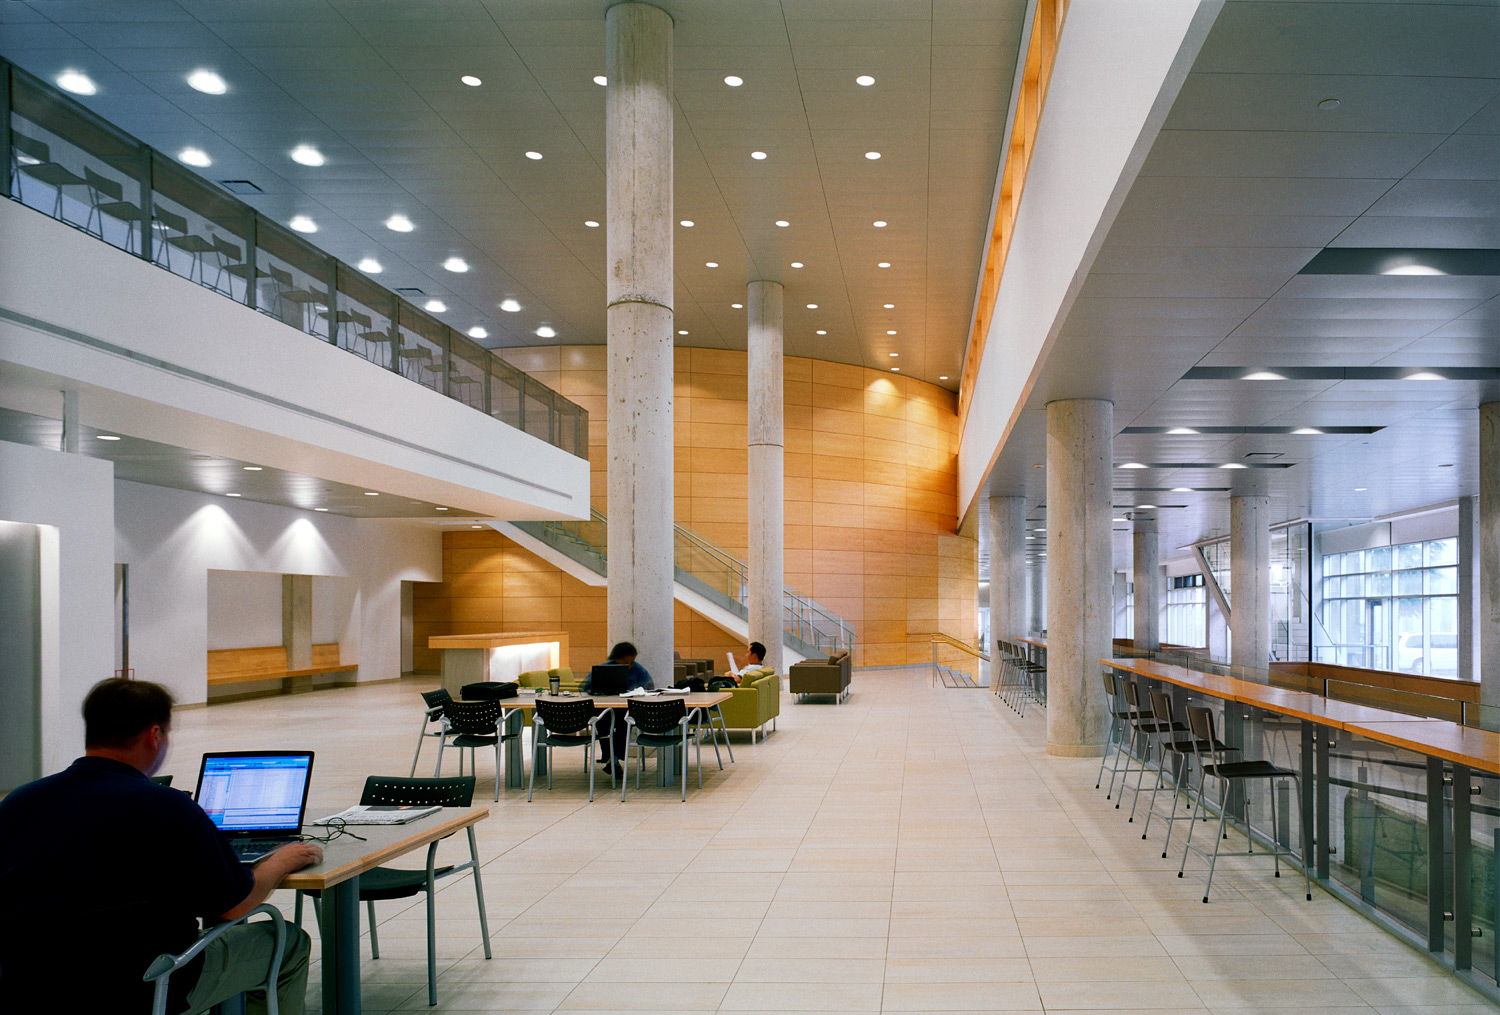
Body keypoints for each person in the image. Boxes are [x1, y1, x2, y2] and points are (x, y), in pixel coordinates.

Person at [0, 678, 322, 1015]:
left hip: (31, 986)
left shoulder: (19, 802)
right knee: (290, 942)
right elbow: (234, 906)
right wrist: (281, 861)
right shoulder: (166, 806)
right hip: (147, 985)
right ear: (154, 736)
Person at [581, 641, 654, 777]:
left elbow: (649, 686)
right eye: (626, 663)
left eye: (632, 663)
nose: (630, 666)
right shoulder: (603, 669)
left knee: (624, 724)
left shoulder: (639, 670)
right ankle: (612, 758)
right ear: (617, 659)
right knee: (602, 724)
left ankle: (613, 758)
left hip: (626, 710)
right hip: (605, 709)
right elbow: (585, 687)